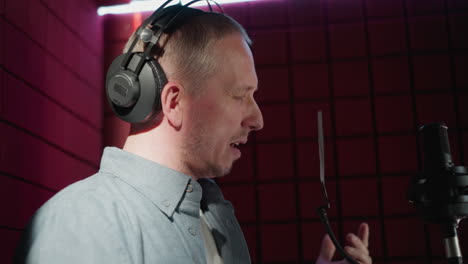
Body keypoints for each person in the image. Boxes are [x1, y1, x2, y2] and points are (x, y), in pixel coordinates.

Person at [15, 4, 372, 264]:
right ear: (174, 102)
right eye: (239, 95)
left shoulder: (215, 216)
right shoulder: (83, 224)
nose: (258, 119)